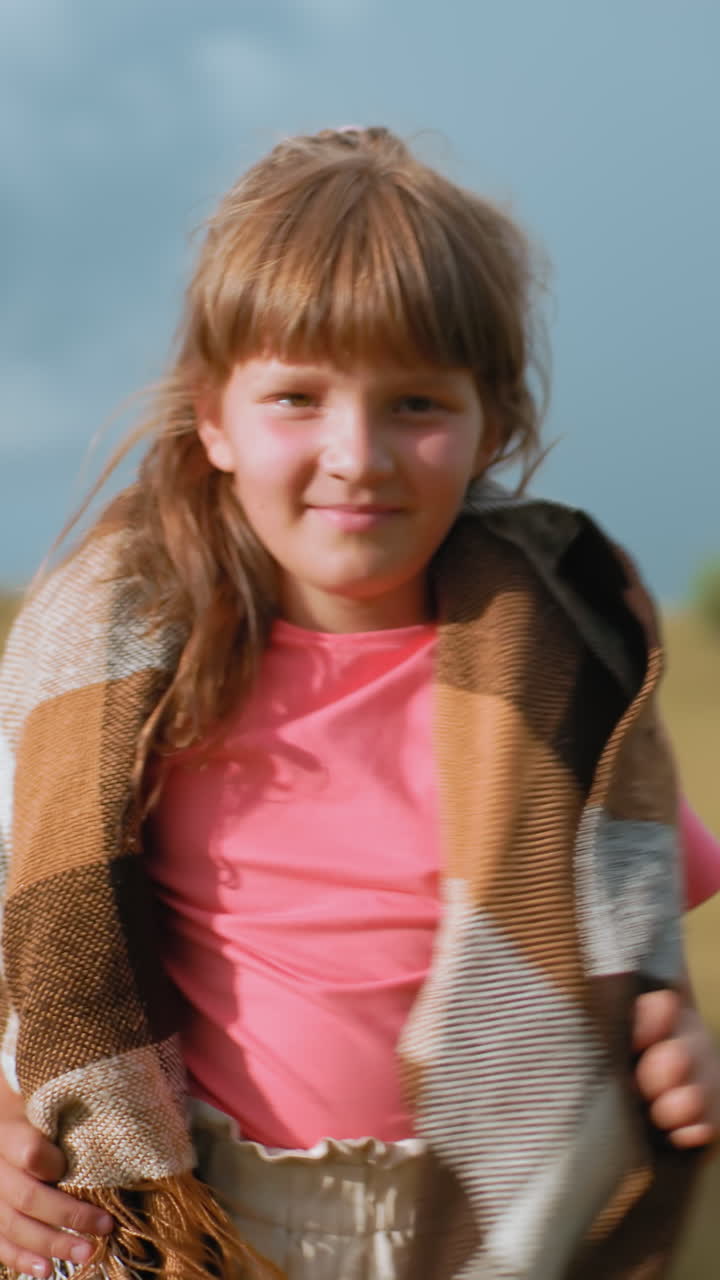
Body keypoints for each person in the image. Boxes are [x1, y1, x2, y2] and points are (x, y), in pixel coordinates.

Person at [0, 126, 718, 1280]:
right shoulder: (122, 680)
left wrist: (675, 1042)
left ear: (496, 422)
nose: (358, 453)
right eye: (298, 396)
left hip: (476, 1219)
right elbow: (40, 931)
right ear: (216, 418)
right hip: (205, 1218)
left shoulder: (556, 679)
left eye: (416, 403)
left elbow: (632, 935)